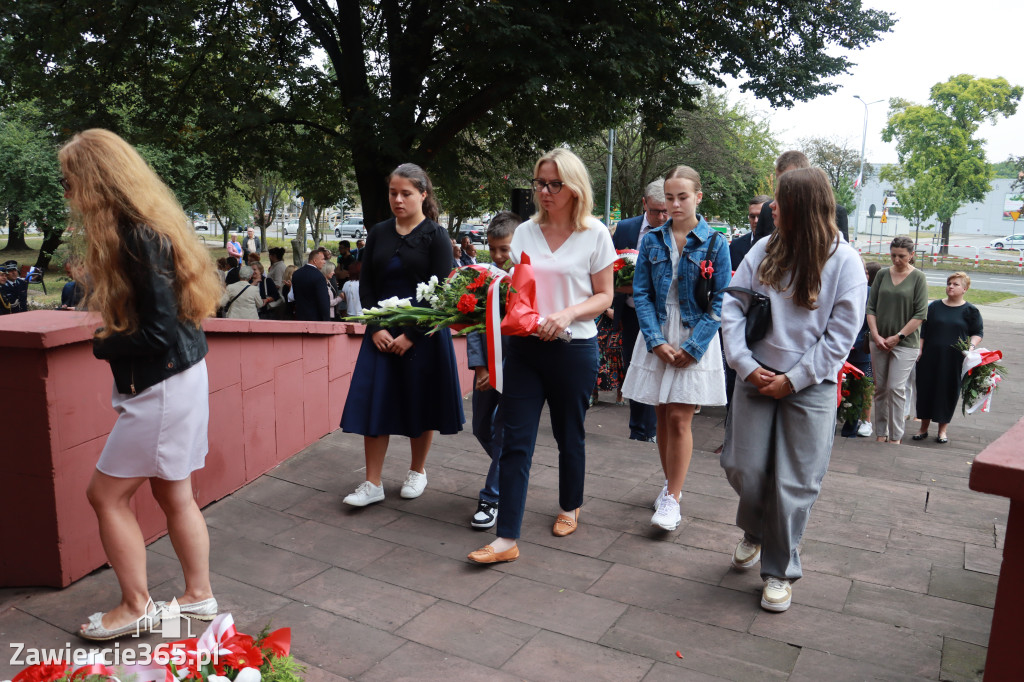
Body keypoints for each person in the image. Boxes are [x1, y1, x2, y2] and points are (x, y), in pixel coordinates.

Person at [59, 129, 222, 640]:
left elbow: (154, 331)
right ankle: (198, 599)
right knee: (176, 494)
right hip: (179, 379)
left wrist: (102, 343)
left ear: (95, 181)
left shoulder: (136, 237)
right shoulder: (147, 229)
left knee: (105, 496)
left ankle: (135, 606)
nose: (66, 193)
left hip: (162, 388)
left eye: (69, 181)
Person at [721, 167, 866, 613]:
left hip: (811, 385)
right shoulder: (764, 249)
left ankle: (780, 571)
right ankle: (757, 530)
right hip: (756, 377)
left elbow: (841, 336)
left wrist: (795, 379)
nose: (771, 209)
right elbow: (732, 305)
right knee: (743, 466)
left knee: (794, 482)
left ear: (801, 206)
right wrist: (745, 365)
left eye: (779, 202)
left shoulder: (845, 262)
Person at [468, 148, 615, 564]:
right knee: (514, 440)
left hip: (574, 347)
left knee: (570, 435)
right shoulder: (526, 233)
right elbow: (514, 290)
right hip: (525, 349)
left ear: (574, 187)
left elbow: (604, 295)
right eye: (539, 183)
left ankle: (570, 505)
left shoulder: (595, 234)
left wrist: (567, 312)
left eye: (554, 184)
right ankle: (505, 538)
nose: (545, 192)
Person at [340, 163, 464, 506]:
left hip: (422, 335)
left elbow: (444, 296)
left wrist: (411, 334)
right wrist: (376, 327)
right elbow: (366, 286)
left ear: (423, 195)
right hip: (380, 334)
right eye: (393, 193)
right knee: (374, 405)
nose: (398, 199)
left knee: (420, 402)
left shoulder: (437, 236)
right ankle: (372, 483)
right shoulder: (379, 232)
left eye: (406, 193)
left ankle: (417, 471)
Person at [621, 166, 731, 531]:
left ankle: (673, 497)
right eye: (669, 197)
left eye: (682, 197)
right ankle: (670, 487)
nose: (675, 204)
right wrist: (655, 341)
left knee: (681, 417)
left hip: (694, 333)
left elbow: (721, 301)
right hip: (657, 332)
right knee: (662, 415)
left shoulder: (715, 243)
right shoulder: (652, 239)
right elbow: (641, 293)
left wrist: (694, 346)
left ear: (698, 196)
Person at [465, 211, 518, 530]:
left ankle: (492, 496)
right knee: (481, 427)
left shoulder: (529, 279)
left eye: (505, 249)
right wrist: (481, 366)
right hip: (485, 370)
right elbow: (473, 324)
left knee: (502, 431)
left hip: (517, 370)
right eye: (493, 249)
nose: (498, 256)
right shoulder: (484, 279)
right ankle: (512, 465)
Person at [611, 179, 665, 442]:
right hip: (631, 313)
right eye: (656, 211)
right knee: (634, 369)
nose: (662, 217)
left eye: (666, 211)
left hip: (661, 315)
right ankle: (637, 430)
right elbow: (611, 266)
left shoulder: (675, 230)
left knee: (655, 370)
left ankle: (652, 430)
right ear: (645, 204)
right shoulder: (625, 228)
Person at [866, 236, 927, 445]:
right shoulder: (882, 274)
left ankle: (896, 435)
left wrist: (899, 336)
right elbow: (871, 307)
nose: (897, 260)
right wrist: (875, 334)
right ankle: (880, 433)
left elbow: (920, 313)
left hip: (905, 343)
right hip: (879, 340)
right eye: (893, 255)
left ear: (911, 255)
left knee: (896, 388)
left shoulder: (918, 277)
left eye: (901, 256)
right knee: (881, 388)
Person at [911, 272, 983, 444]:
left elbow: (977, 332)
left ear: (965, 289)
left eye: (956, 284)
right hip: (930, 357)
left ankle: (942, 431)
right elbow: (924, 330)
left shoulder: (970, 311)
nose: (950, 286)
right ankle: (923, 428)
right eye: (949, 283)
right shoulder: (934, 306)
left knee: (948, 391)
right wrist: (920, 349)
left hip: (954, 359)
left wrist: (971, 348)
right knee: (926, 389)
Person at [752, 151, 848, 244]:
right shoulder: (767, 209)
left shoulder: (836, 212)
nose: (782, 186)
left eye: (789, 181)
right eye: (779, 180)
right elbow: (757, 252)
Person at [289, 249, 331, 321]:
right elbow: (323, 301)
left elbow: (294, 295)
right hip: (315, 318)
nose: (324, 262)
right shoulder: (319, 277)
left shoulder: (296, 273)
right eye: (323, 259)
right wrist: (326, 320)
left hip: (300, 316)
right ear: (315, 261)